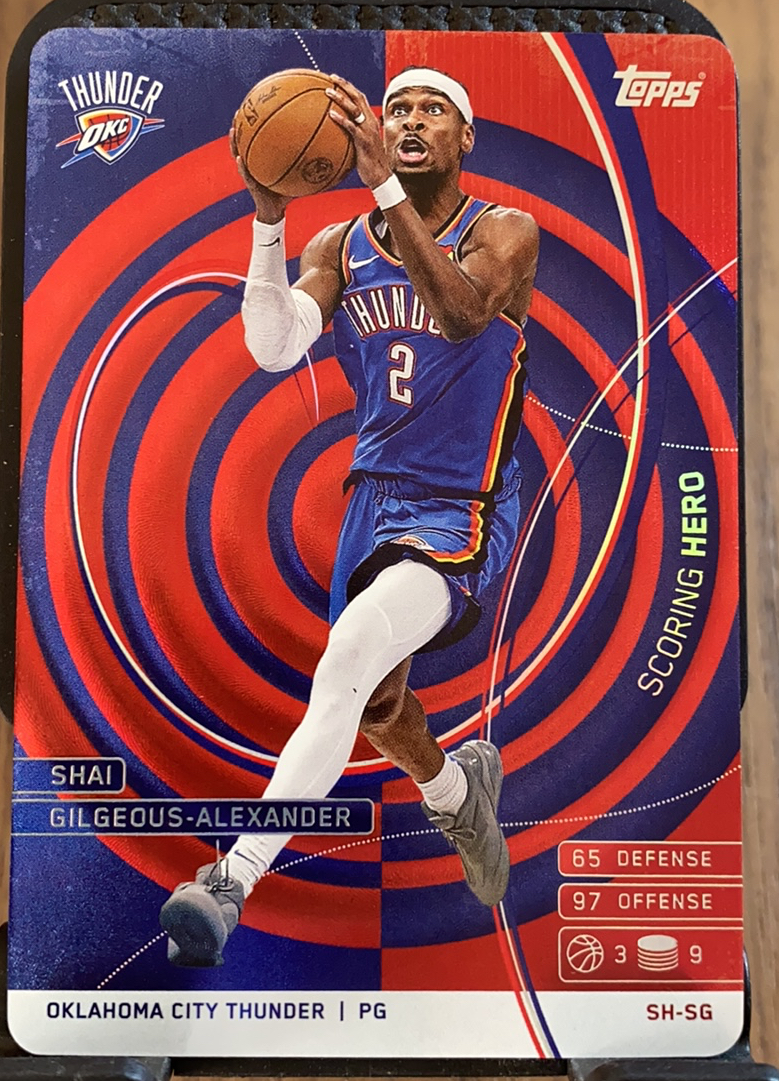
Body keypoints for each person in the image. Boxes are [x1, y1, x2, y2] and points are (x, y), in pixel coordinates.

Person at [161, 67, 539, 967]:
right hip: (372, 501)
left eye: (432, 110)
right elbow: (274, 346)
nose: (410, 119)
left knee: (346, 658)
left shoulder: (505, 231)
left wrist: (380, 186)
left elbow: (460, 313)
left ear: (464, 137)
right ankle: (456, 794)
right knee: (375, 702)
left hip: (461, 503)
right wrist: (268, 218)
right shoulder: (339, 244)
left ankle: (230, 882)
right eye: (396, 107)